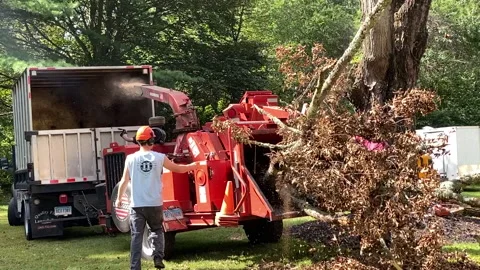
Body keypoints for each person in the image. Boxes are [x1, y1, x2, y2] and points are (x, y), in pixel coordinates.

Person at [115, 126, 199, 270]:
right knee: (156, 231)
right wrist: (192, 166)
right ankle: (158, 258)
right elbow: (177, 169)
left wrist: (118, 199)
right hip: (154, 204)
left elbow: (124, 181)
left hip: (137, 205)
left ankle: (135, 267)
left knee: (136, 236)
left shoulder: (130, 159)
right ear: (152, 140)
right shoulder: (160, 158)